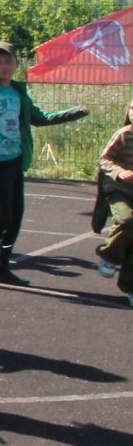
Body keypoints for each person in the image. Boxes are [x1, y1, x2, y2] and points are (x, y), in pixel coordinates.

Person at [0, 41, 87, 287]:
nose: (3, 66)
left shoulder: (18, 92)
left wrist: (73, 113)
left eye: (8, 61)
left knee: (14, 217)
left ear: (16, 64)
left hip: (14, 160)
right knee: (0, 215)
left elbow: (39, 118)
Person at [90, 97, 133, 307]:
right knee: (127, 220)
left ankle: (130, 286)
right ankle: (109, 254)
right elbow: (104, 160)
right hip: (118, 190)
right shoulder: (124, 135)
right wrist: (120, 172)